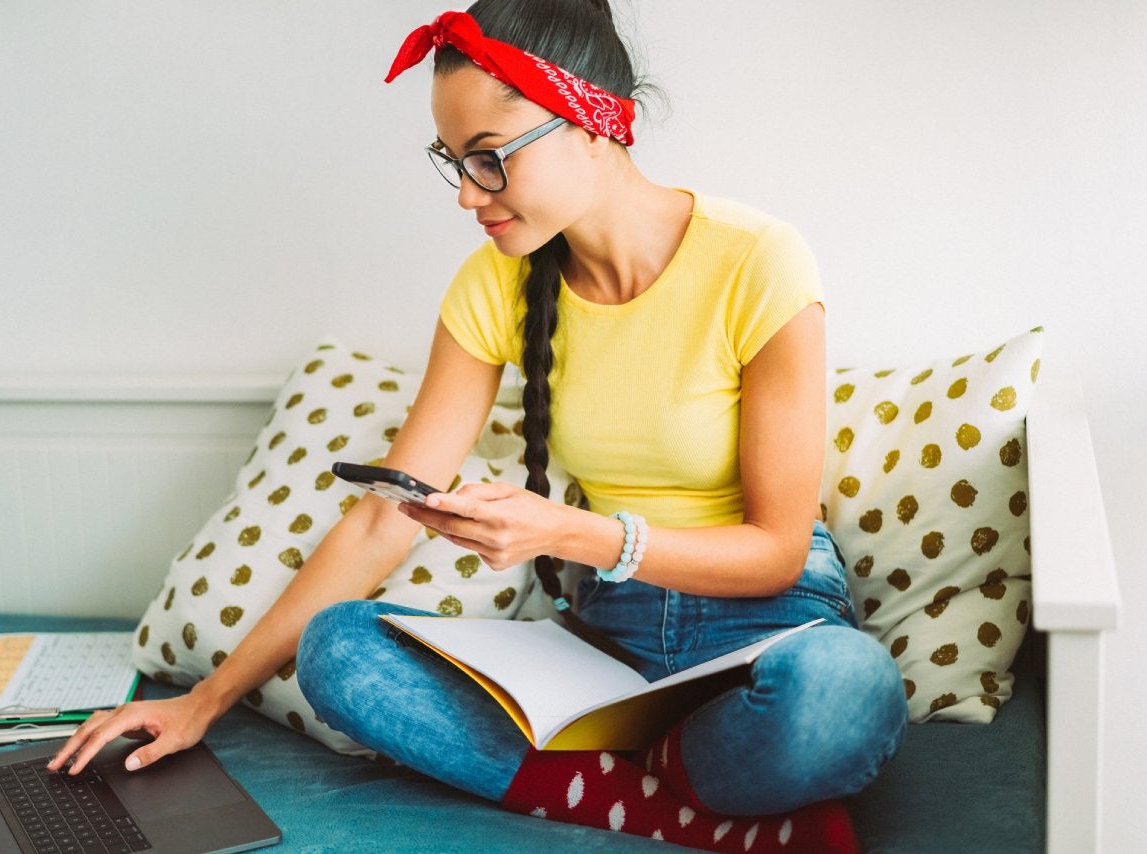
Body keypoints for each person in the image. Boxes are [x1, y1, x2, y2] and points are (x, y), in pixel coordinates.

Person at [51, 2, 907, 850]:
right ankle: (674, 794)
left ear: (596, 125)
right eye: (452, 161)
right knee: (339, 650)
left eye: (489, 159)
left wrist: (573, 532)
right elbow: (380, 520)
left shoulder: (757, 261)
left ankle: (624, 772)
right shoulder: (493, 284)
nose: (466, 194)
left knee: (844, 691)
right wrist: (203, 702)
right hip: (610, 643)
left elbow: (777, 550)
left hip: (765, 626)